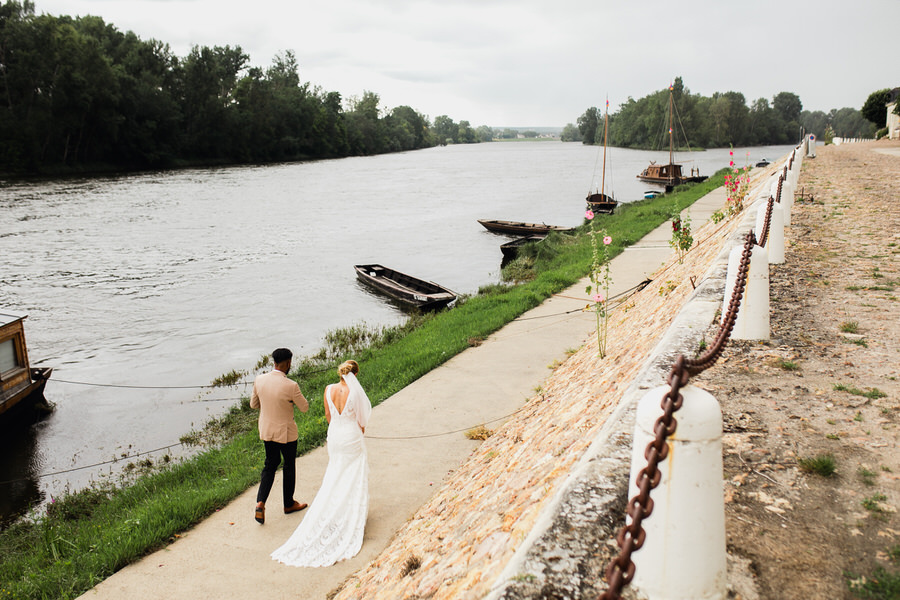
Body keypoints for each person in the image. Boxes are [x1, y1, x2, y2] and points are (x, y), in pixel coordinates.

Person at [271, 359, 372, 567]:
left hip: (335, 435)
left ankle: (333, 511)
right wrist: (356, 431)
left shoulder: (328, 389)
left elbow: (329, 415)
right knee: (352, 475)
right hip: (351, 435)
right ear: (355, 375)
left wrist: (339, 428)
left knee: (335, 474)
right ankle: (349, 513)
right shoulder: (356, 392)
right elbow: (362, 421)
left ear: (339, 373)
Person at [251, 347, 310, 525]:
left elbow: (254, 404)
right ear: (288, 363)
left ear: (274, 362)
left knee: (270, 465)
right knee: (289, 465)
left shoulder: (259, 380)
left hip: (267, 430)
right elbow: (305, 407)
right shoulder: (291, 385)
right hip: (286, 433)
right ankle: (288, 503)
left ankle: (260, 502)